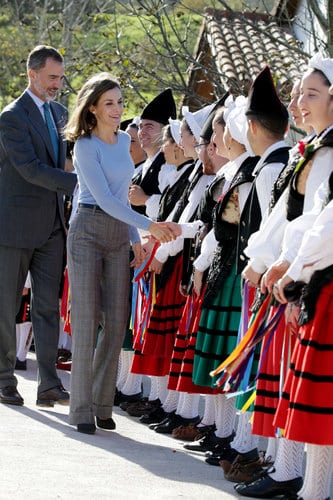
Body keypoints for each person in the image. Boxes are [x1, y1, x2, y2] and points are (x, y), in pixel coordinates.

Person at [65, 72, 179, 434]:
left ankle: (102, 403)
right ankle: (81, 409)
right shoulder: (84, 146)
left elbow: (119, 198)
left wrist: (134, 239)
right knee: (85, 321)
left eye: (119, 102)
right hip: (86, 230)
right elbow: (100, 199)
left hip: (118, 231)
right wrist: (149, 226)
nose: (118, 109)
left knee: (116, 322)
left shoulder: (121, 144)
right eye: (110, 103)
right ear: (93, 108)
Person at [0, 45, 77, 407]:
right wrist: (79, 184)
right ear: (32, 75)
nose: (57, 84)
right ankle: (4, 380)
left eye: (60, 78)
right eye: (52, 78)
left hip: (52, 228)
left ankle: (49, 385)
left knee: (49, 306)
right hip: (13, 227)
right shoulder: (11, 117)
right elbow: (30, 169)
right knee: (7, 305)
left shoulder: (62, 113)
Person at [129, 89, 176, 218]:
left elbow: (174, 206)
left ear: (165, 131)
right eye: (140, 127)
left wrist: (145, 200)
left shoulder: (169, 165)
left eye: (149, 127)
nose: (142, 132)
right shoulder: (145, 166)